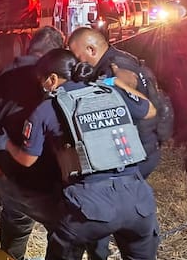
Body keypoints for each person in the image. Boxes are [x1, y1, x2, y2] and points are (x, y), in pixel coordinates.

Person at [0, 49, 187, 260]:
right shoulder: (110, 94)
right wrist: (116, 84)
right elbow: (150, 111)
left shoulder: (48, 107)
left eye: (44, 80)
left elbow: (28, 160)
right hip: (136, 198)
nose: (43, 86)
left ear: (53, 78)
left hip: (90, 205)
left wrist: (4, 142)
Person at [0, 26, 110, 260]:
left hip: (4, 169)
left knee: (15, 216)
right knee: (63, 228)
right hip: (36, 174)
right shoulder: (57, 82)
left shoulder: (2, 72)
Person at [66, 26, 162, 178]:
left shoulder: (113, 69)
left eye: (78, 58)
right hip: (140, 147)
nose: (76, 65)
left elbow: (139, 102)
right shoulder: (118, 57)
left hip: (137, 153)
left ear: (91, 50)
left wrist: (112, 81)